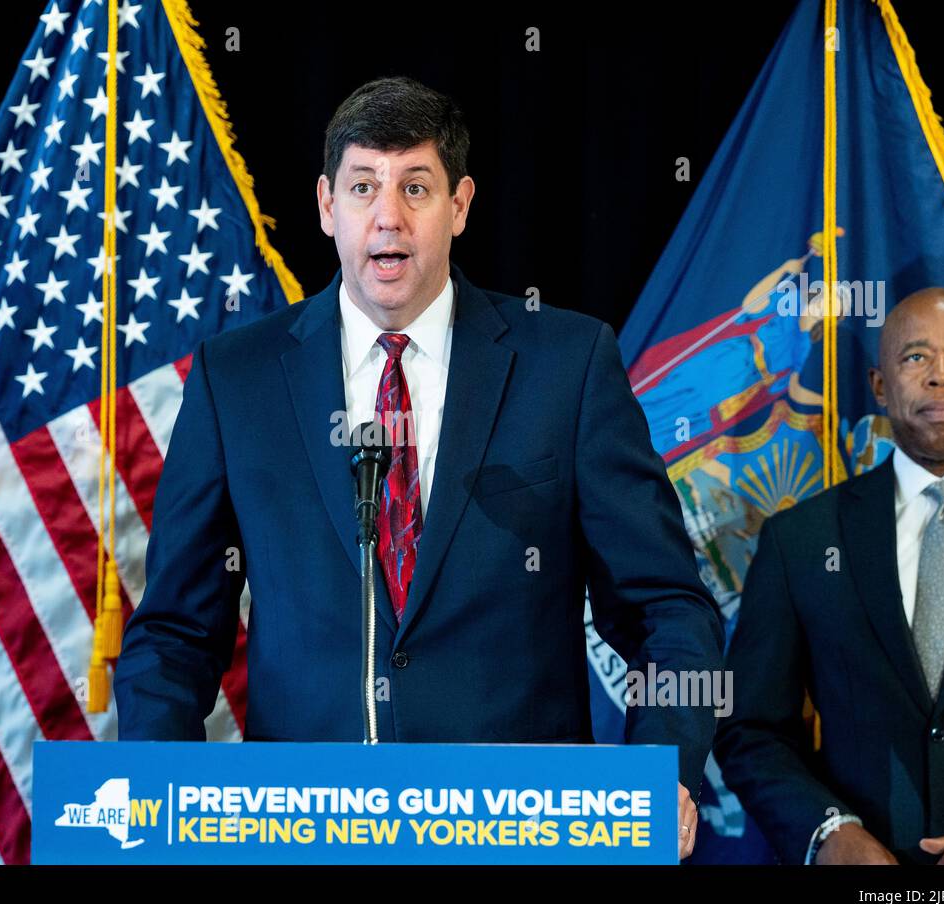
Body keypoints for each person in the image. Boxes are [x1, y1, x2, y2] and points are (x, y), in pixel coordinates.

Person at [115, 76, 724, 859]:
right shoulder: (237, 380)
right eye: (363, 186)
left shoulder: (566, 366)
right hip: (303, 835)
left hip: (522, 835)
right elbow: (173, 631)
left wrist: (657, 767)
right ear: (328, 205)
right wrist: (154, 798)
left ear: (461, 206)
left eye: (417, 187)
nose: (388, 216)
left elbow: (665, 607)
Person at [715, 287, 944, 865]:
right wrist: (826, 832)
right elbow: (749, 729)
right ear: (880, 385)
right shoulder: (801, 540)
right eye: (915, 357)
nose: (940, 376)